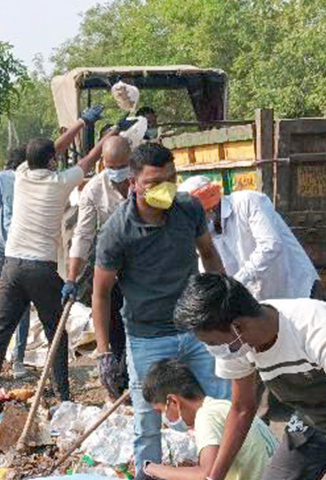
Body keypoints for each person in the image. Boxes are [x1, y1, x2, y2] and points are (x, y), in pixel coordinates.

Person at [175, 273, 326, 480]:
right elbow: (242, 409)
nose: (214, 350)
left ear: (237, 327)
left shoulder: (318, 328)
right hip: (312, 416)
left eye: (213, 343)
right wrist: (213, 477)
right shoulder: (236, 345)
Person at [92, 141, 231, 477]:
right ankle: (147, 474)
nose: (164, 190)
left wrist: (225, 303)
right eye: (154, 183)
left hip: (196, 330)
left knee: (220, 408)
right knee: (147, 422)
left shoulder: (188, 209)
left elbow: (209, 255)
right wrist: (103, 352)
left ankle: (225, 472)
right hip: (147, 337)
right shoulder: (117, 231)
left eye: (171, 179)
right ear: (133, 185)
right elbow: (101, 293)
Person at [0, 106, 109, 422]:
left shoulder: (20, 175)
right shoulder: (59, 183)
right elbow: (88, 162)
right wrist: (107, 136)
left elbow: (49, 151)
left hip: (12, 268)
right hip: (41, 270)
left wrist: (81, 122)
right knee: (55, 332)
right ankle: (63, 397)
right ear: (53, 163)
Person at [178, 175, 320, 301]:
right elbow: (206, 263)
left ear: (209, 207)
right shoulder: (205, 227)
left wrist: (237, 281)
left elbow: (271, 246)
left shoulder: (248, 201)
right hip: (261, 301)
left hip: (297, 288)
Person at [65, 135, 133, 394]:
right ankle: (120, 375)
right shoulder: (94, 189)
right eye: (111, 167)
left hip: (145, 261)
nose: (116, 172)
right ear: (103, 163)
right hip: (112, 261)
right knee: (114, 318)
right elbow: (82, 235)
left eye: (121, 166)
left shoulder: (144, 179)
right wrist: (71, 278)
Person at [140, 358, 278, 480]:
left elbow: (206, 475)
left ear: (173, 402)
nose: (164, 418)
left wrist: (152, 469)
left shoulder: (205, 417)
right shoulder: (222, 406)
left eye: (161, 411)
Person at [0, 146, 32, 379]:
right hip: (12, 245)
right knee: (17, 304)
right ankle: (12, 360)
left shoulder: (6, 178)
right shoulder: (25, 178)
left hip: (9, 246)